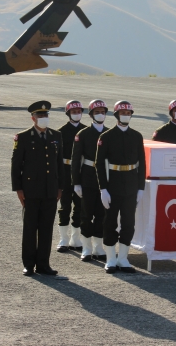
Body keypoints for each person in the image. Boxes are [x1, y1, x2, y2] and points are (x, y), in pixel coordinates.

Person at [11, 101, 64, 276]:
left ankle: (43, 264)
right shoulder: (23, 137)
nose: (43, 118)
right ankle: (28, 264)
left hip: (50, 190)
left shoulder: (56, 136)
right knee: (30, 228)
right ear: (33, 118)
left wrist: (60, 187)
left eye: (46, 115)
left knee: (46, 229)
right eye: (40, 115)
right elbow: (16, 164)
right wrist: (18, 189)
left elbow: (59, 163)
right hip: (31, 190)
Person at [95, 100, 146, 274]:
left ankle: (123, 258)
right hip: (113, 185)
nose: (126, 116)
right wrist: (103, 189)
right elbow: (99, 164)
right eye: (123, 113)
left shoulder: (137, 136)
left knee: (128, 223)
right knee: (110, 222)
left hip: (131, 185)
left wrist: (140, 188)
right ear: (117, 115)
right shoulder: (106, 137)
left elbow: (142, 163)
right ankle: (110, 259)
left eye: (128, 113)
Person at [71, 99, 109, 262]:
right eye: (97, 112)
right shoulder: (83, 134)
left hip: (104, 180)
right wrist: (76, 182)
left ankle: (98, 247)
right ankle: (86, 248)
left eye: (103, 112)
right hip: (87, 178)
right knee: (86, 214)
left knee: (101, 214)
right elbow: (75, 160)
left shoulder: (109, 133)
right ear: (91, 114)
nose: (100, 115)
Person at [56, 100, 87, 253]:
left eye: (79, 111)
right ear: (68, 113)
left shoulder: (86, 131)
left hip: (81, 172)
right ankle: (63, 239)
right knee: (65, 206)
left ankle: (75, 238)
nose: (77, 114)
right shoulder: (60, 132)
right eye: (74, 112)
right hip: (66, 171)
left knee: (79, 206)